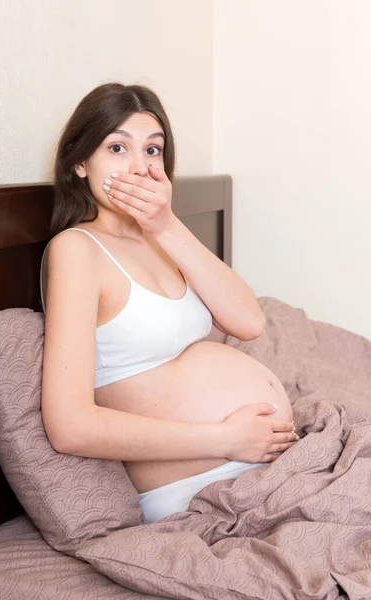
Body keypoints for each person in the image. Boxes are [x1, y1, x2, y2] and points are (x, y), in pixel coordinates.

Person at [40, 82, 298, 523]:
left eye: (153, 150)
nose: (140, 167)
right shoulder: (77, 250)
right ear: (80, 162)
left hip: (253, 463)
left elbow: (249, 321)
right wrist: (224, 439)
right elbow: (70, 426)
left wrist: (166, 225)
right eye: (118, 148)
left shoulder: (162, 237)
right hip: (197, 485)